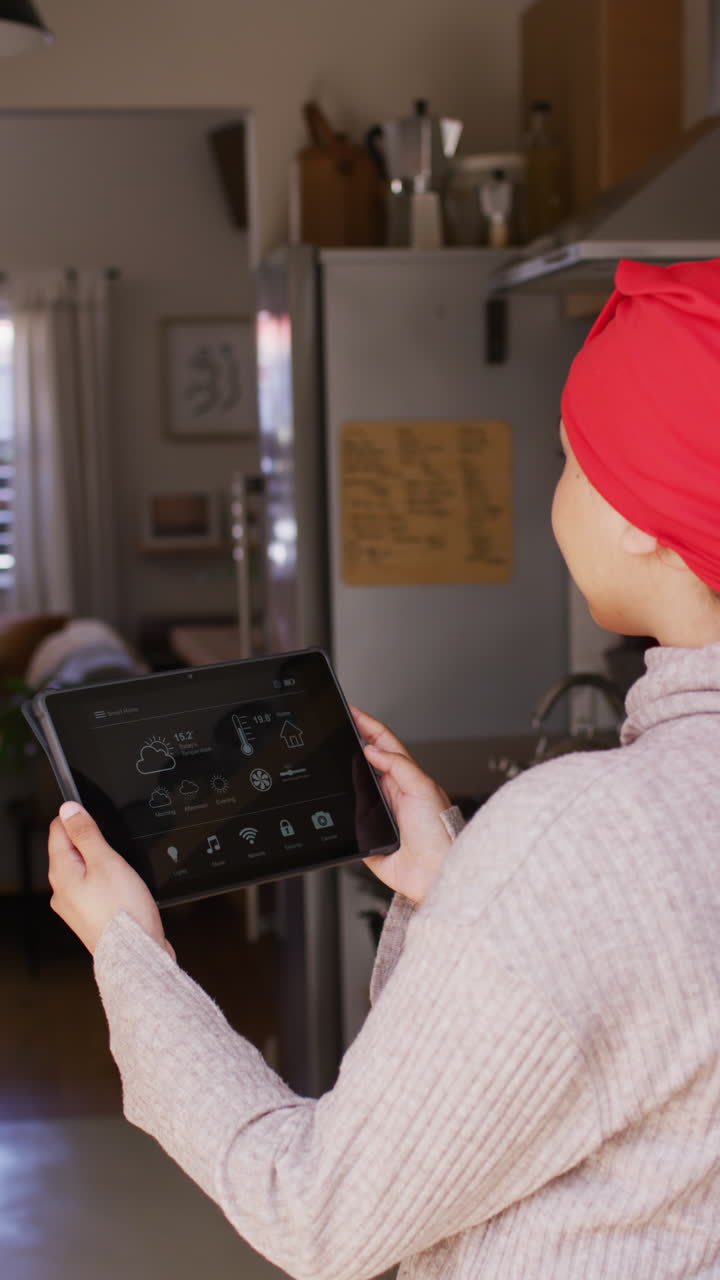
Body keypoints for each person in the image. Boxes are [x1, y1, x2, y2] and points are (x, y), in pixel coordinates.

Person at [47, 259, 720, 1278]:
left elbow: (317, 1208)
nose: (556, 488)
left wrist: (130, 950)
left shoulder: (591, 832)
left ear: (638, 512)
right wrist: (458, 878)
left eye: (568, 456)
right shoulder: (616, 840)